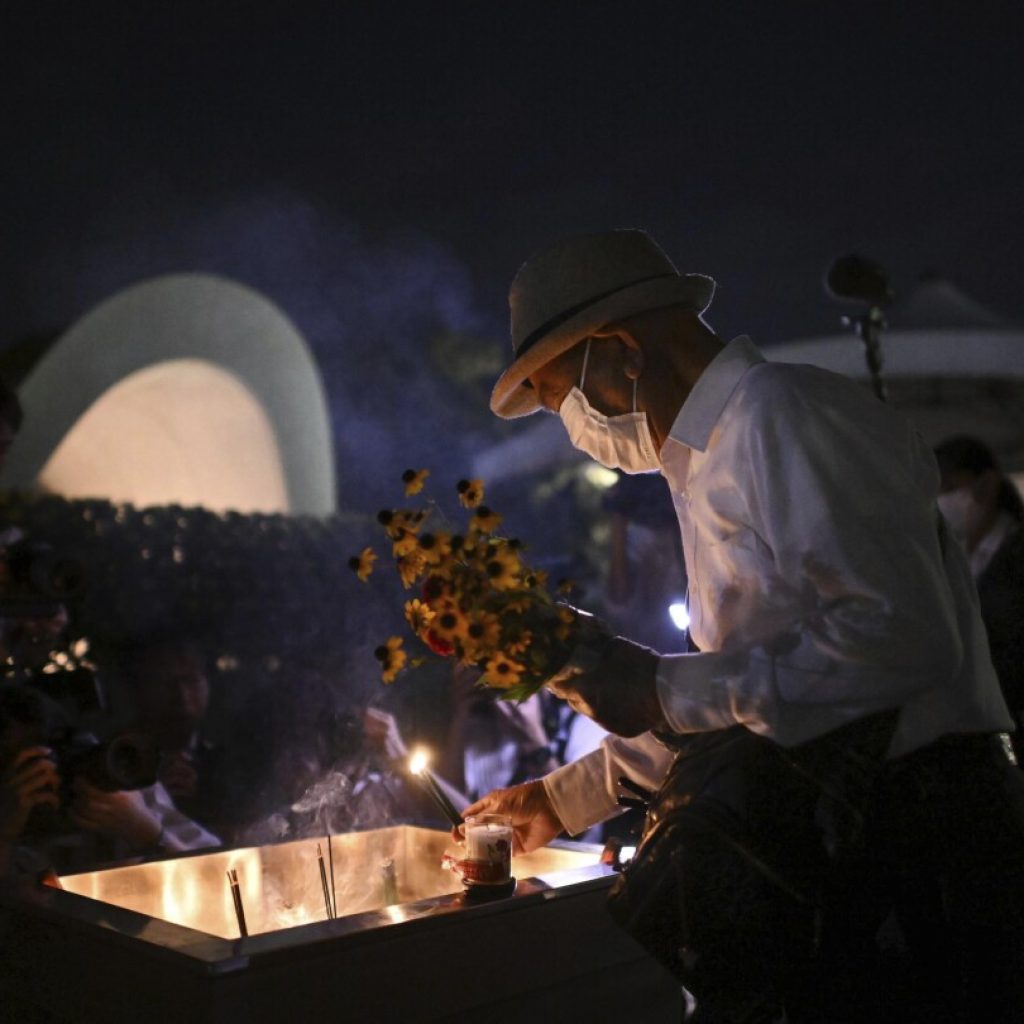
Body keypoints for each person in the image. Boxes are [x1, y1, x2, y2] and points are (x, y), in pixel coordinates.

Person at [463, 229, 1024, 1022]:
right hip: (858, 852)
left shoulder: (781, 414)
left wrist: (656, 686)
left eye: (562, 399)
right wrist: (565, 796)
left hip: (927, 858)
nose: (574, 427)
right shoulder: (703, 462)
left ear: (620, 350)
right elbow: (751, 690)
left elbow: (900, 636)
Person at [935, 435, 1024, 758]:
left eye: (947, 489)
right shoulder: (958, 560)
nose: (941, 502)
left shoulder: (1015, 555)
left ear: (986, 486)